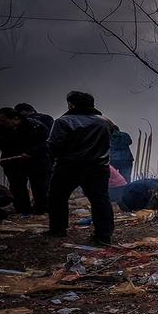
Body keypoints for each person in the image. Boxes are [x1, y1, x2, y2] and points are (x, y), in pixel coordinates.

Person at [47, 91, 115, 245]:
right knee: (100, 200)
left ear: (71, 104)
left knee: (57, 197)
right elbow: (111, 138)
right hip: (98, 167)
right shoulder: (104, 121)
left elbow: (53, 145)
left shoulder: (63, 122)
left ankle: (58, 230)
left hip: (69, 167)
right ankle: (104, 235)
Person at [0, 108, 51, 215]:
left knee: (39, 187)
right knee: (17, 188)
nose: (0, 122)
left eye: (3, 120)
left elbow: (48, 142)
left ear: (15, 118)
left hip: (37, 162)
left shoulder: (35, 126)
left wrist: (31, 152)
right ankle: (23, 211)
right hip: (13, 164)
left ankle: (41, 210)